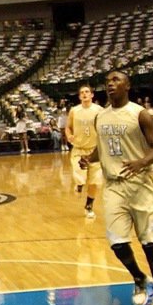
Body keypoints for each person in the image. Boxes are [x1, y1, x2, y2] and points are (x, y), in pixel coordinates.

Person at [81, 71, 153, 305]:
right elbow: (103, 147)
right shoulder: (101, 117)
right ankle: (139, 278)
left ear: (127, 85)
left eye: (116, 80)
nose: (110, 84)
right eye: (108, 81)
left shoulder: (139, 114)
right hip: (113, 185)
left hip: (140, 183)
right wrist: (89, 158)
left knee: (149, 241)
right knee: (117, 242)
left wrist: (141, 162)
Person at [66, 84, 103, 219]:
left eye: (87, 92)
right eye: (82, 92)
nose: (84, 94)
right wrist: (69, 135)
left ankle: (89, 206)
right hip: (79, 149)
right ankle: (79, 185)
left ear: (92, 95)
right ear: (79, 96)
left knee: (95, 181)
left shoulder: (99, 110)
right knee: (80, 176)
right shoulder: (74, 111)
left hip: (95, 151)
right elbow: (68, 127)